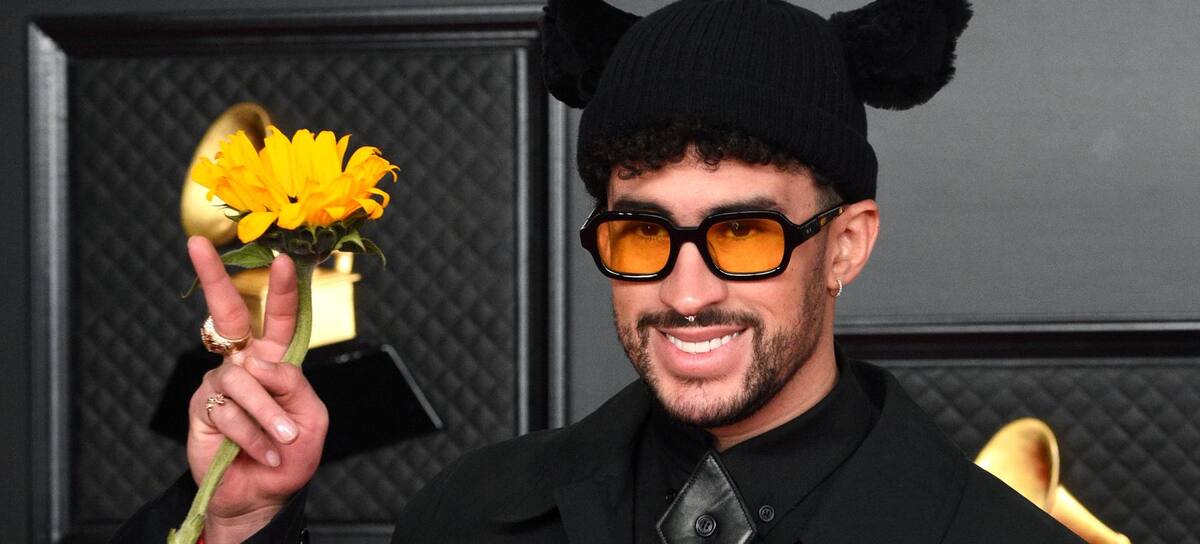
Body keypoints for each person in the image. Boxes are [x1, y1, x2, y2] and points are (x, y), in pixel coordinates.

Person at [114, 0, 1086, 542]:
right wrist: (236, 524)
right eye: (643, 235)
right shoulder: (470, 516)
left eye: (745, 234)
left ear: (846, 244)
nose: (687, 293)